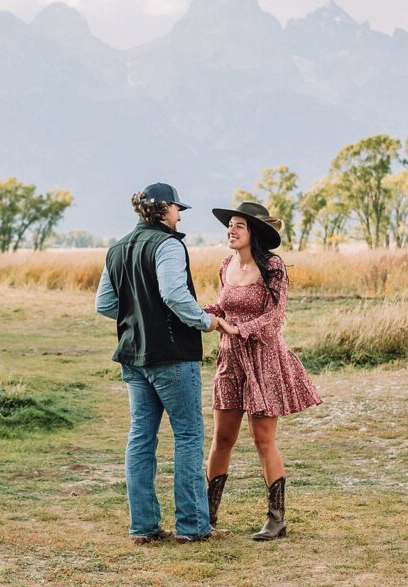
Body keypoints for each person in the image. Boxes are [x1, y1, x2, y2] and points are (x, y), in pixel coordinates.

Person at [95, 182, 227, 545]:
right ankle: (192, 526)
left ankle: (144, 528)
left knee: (141, 437)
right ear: (164, 209)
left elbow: (105, 304)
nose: (180, 215)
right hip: (171, 355)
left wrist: (138, 315)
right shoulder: (169, 244)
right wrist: (207, 321)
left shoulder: (117, 248)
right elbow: (173, 293)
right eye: (178, 209)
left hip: (133, 357)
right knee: (187, 436)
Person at [202, 202, 323, 541]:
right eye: (230, 225)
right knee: (222, 439)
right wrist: (199, 314)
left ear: (253, 231)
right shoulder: (226, 265)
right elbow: (223, 306)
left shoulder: (272, 266)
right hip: (230, 361)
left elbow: (276, 316)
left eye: (239, 225)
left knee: (262, 439)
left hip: (263, 362)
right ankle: (206, 516)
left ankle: (276, 519)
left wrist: (241, 329)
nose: (231, 230)